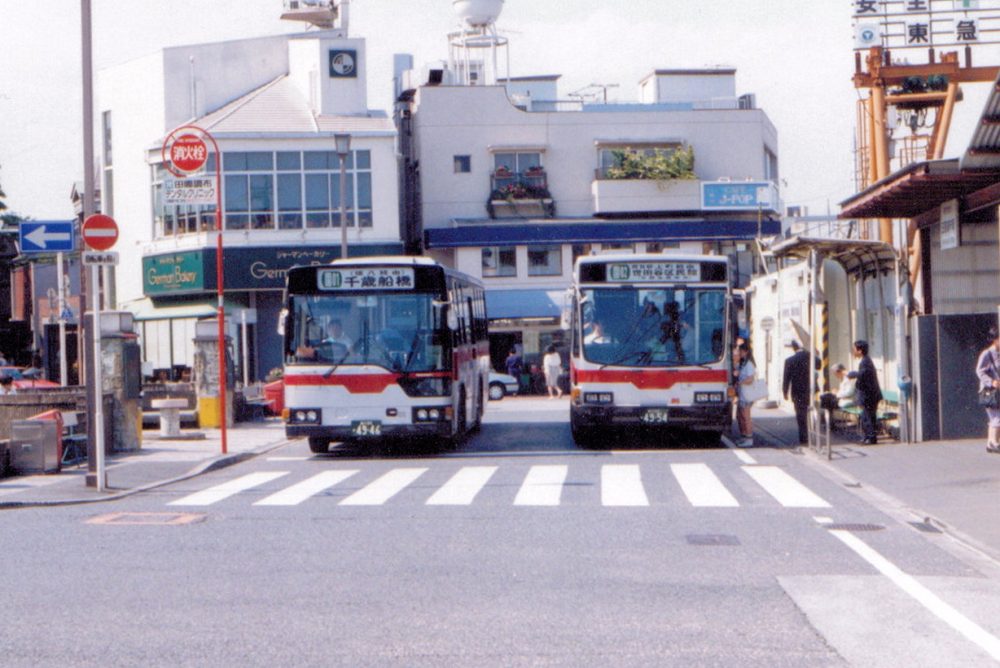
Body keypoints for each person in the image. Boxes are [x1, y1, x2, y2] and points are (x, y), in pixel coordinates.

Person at [848, 339, 883, 445]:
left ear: (860, 351)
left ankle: (871, 438)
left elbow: (862, 375)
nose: (853, 351)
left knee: (867, 417)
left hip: (869, 396)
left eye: (854, 349)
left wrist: (853, 374)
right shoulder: (865, 361)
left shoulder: (865, 362)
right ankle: (868, 436)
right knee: (867, 417)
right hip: (870, 395)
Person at [976, 326, 1000, 454]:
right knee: (997, 416)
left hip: (997, 390)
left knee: (994, 417)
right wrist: (991, 382)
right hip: (989, 391)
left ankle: (990, 443)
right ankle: (995, 443)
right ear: (995, 339)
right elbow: (979, 371)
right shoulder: (987, 353)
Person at [782, 339, 811, 444]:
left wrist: (785, 392)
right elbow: (819, 365)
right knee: (809, 413)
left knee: (800, 415)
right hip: (810, 390)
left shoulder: (789, 360)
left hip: (797, 391)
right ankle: (811, 436)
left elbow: (786, 378)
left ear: (794, 348)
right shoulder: (809, 357)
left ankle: (804, 439)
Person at [732, 342, 756, 447]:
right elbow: (735, 365)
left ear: (746, 351)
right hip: (743, 393)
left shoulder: (749, 364)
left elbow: (750, 379)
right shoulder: (743, 363)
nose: (739, 353)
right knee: (740, 416)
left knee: (746, 416)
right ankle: (744, 436)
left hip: (747, 393)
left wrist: (740, 383)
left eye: (740, 351)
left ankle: (749, 438)